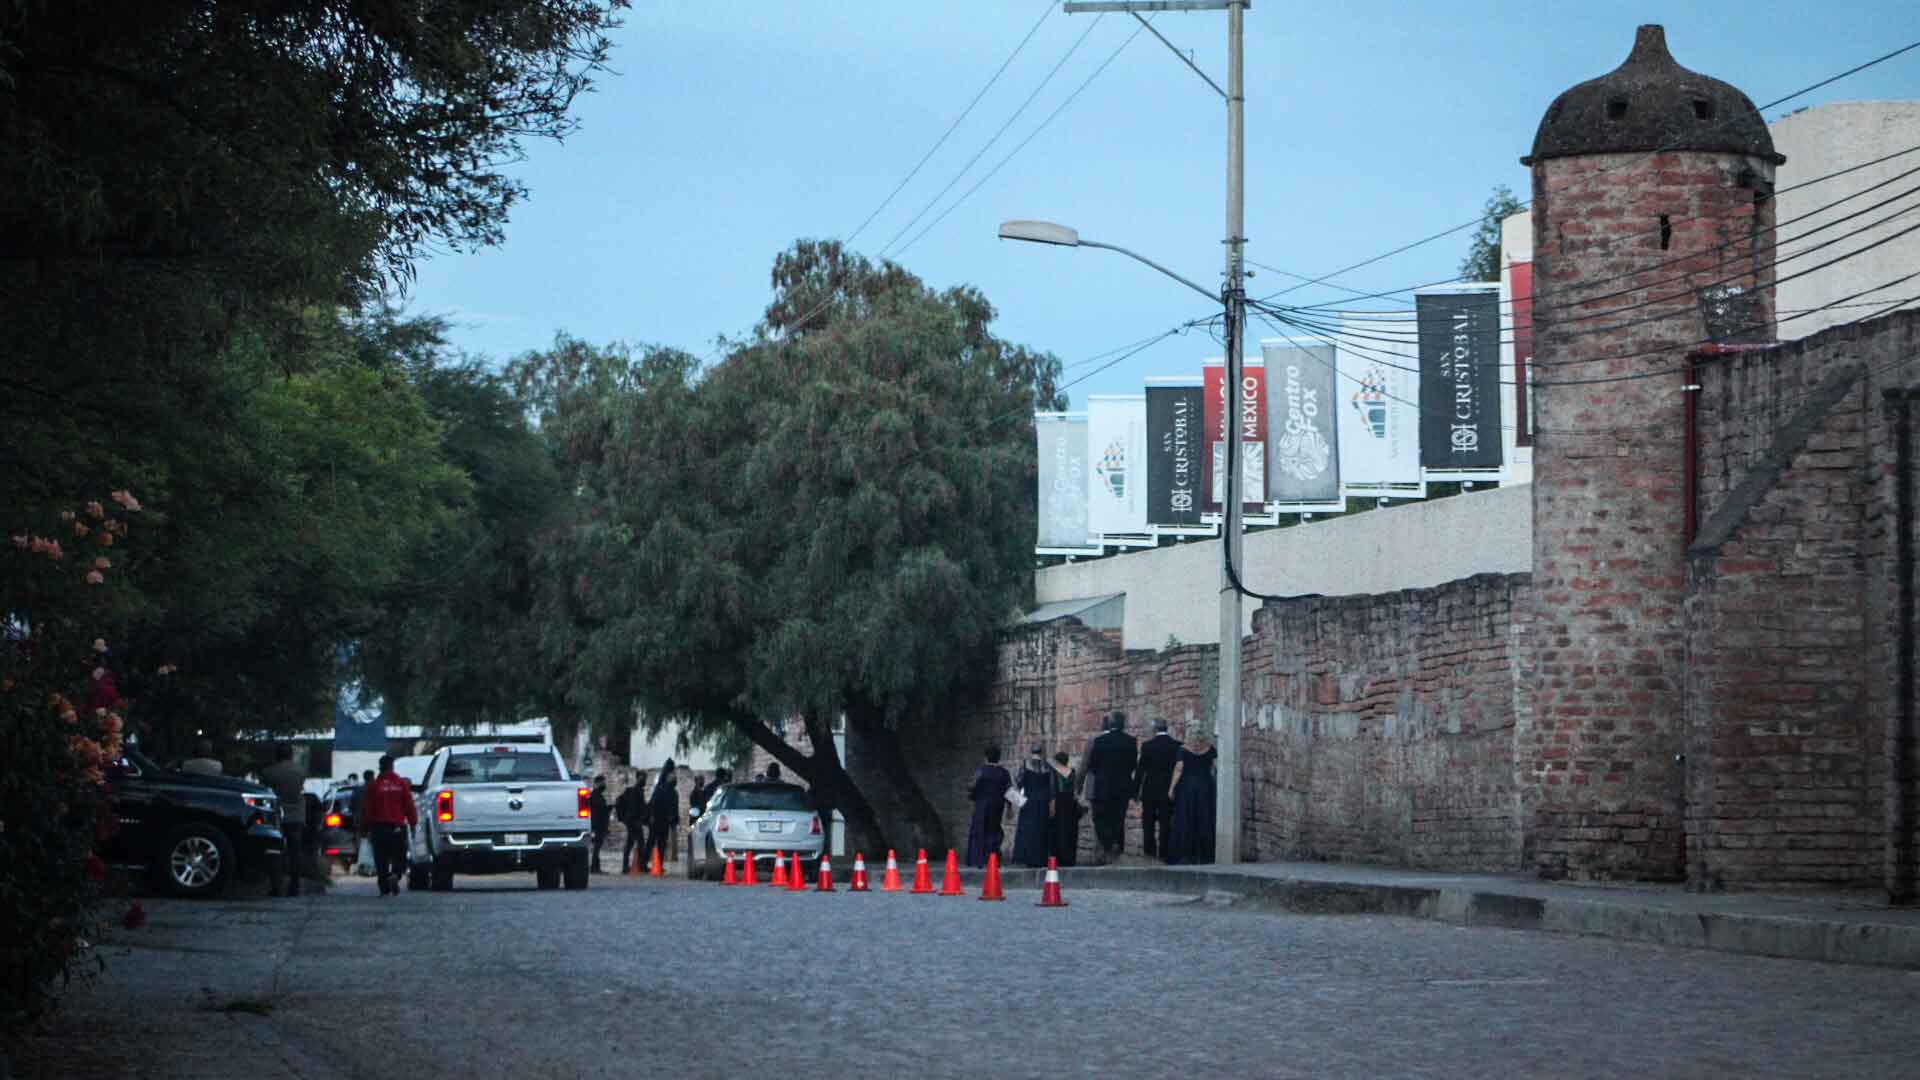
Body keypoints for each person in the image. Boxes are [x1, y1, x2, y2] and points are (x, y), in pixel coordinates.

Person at [1078, 710, 1138, 864]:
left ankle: (1106, 847)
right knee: (1118, 818)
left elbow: (1091, 765)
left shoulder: (1098, 741)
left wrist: (1078, 787)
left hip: (1102, 786)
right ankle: (1116, 847)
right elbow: (1132, 765)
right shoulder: (1131, 740)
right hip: (1122, 786)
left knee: (1101, 818)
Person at [361, 754, 417, 896]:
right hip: (397, 827)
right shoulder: (401, 783)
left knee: (381, 859)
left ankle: (384, 886)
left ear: (380, 767)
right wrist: (413, 823)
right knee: (400, 856)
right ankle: (396, 875)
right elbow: (409, 805)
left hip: (378, 828)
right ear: (392, 766)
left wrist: (364, 829)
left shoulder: (373, 785)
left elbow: (367, 809)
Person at [1165, 726, 1218, 866]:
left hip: (1187, 788)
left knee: (1186, 818)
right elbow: (1214, 768)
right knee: (1205, 818)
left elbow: (1178, 770)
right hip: (1206, 787)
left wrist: (1171, 789)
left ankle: (1185, 855)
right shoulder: (1210, 749)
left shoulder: (1183, 749)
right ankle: (1206, 855)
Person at [259, 744, 306, 897]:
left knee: (274, 852)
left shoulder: (268, 772)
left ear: (277, 755)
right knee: (295, 854)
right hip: (296, 815)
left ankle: (276, 887)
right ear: (291, 755)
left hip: (276, 815)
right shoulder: (300, 771)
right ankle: (295, 888)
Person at [1133, 719, 1180, 861]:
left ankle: (1150, 851)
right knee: (1166, 822)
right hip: (1168, 790)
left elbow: (1140, 771)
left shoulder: (1147, 746)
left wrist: (1135, 792)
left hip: (1150, 790)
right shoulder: (1177, 745)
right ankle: (1165, 852)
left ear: (1154, 730)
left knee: (1148, 822)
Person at [963, 746, 1012, 868]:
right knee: (994, 831)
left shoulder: (982, 770)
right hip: (998, 805)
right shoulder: (1004, 773)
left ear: (986, 757)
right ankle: (993, 858)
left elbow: (972, 786)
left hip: (983, 805)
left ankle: (979, 859)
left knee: (980, 830)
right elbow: (1008, 791)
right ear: (999, 758)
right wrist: (1009, 807)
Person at [1010, 745, 1053, 869]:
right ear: (1041, 752)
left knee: (1027, 828)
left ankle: (1026, 857)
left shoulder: (1026, 764)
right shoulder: (1048, 766)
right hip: (1043, 801)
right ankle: (1040, 859)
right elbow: (1052, 787)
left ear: (1032, 752)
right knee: (1041, 829)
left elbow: (1019, 782)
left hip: (1029, 800)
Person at [1049, 751, 1084, 868]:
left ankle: (1058, 858)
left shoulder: (1054, 771)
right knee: (1070, 831)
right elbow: (1075, 789)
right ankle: (1069, 858)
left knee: (1058, 831)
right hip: (1070, 803)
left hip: (1059, 802)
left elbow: (1053, 789)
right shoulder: (1072, 772)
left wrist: (1052, 806)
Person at [647, 760, 679, 865]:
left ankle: (658, 863)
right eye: (672, 776)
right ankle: (644, 862)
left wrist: (673, 818)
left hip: (665, 819)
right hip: (658, 819)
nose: (674, 777)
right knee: (652, 841)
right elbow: (654, 803)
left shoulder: (672, 791)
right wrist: (652, 816)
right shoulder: (661, 788)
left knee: (662, 843)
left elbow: (673, 806)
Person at [617, 772, 648, 873]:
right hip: (633, 821)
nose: (644, 780)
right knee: (638, 843)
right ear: (638, 778)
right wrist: (637, 820)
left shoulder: (638, 790)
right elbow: (635, 808)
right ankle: (639, 865)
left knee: (632, 843)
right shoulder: (635, 791)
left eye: (645, 778)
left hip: (633, 821)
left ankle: (628, 866)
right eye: (643, 777)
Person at [349, 769, 376, 876]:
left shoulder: (357, 790)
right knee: (374, 844)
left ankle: (362, 865)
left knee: (361, 844)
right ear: (372, 777)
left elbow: (351, 806)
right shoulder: (375, 789)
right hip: (374, 820)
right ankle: (373, 866)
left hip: (359, 821)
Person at [588, 775, 612, 873]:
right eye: (602, 783)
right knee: (596, 848)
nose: (604, 785)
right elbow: (600, 809)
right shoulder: (595, 795)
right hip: (597, 825)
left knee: (597, 847)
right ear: (597, 783)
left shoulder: (598, 795)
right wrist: (609, 807)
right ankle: (594, 867)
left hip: (599, 825)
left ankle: (596, 867)